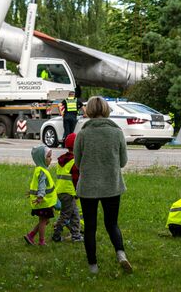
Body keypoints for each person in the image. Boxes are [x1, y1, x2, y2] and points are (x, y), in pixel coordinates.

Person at [74, 96, 131, 274]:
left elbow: (77, 162)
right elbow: (123, 162)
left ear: (88, 110)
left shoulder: (83, 133)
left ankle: (93, 266)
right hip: (112, 186)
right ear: (106, 110)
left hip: (88, 187)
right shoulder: (117, 132)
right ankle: (121, 253)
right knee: (112, 223)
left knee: (90, 227)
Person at [52, 133, 83, 242]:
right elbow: (75, 179)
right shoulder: (74, 162)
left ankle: (76, 235)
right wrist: (78, 192)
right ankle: (56, 234)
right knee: (65, 215)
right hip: (69, 192)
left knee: (74, 214)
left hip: (61, 190)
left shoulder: (62, 160)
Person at [24, 145, 57, 246]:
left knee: (45, 221)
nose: (50, 158)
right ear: (41, 159)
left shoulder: (39, 169)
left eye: (50, 156)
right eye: (48, 157)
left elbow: (37, 184)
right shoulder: (42, 171)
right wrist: (40, 196)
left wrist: (32, 192)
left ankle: (31, 235)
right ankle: (41, 241)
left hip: (44, 201)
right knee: (43, 221)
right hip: (43, 202)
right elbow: (41, 185)